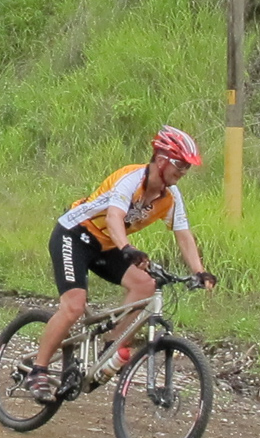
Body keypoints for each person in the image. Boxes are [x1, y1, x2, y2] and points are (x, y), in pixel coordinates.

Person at [26, 126, 218, 402]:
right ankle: (38, 371)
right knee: (74, 306)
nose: (184, 171)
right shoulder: (131, 179)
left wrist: (199, 271)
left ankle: (110, 348)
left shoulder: (171, 197)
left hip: (107, 244)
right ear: (161, 159)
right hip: (75, 234)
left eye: (187, 167)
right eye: (180, 164)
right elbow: (114, 217)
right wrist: (127, 248)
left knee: (145, 285)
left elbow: (183, 235)